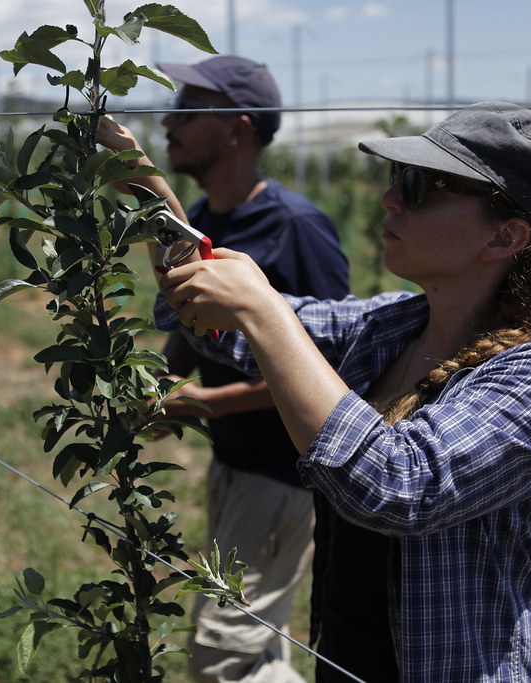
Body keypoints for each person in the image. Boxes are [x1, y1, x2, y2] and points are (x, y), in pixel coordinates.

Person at [147, 101, 531, 682]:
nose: (390, 199)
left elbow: (395, 486)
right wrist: (151, 193)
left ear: (505, 236)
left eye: (418, 187)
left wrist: (263, 309)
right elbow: (215, 326)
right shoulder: (391, 325)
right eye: (396, 179)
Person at [102, 55, 349, 682]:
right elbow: (193, 329)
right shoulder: (208, 221)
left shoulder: (296, 227)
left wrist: (198, 406)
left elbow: (326, 374)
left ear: (237, 129)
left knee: (219, 657)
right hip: (235, 464)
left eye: (187, 110)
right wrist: (159, 387)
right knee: (256, 644)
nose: (169, 122)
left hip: (282, 475)